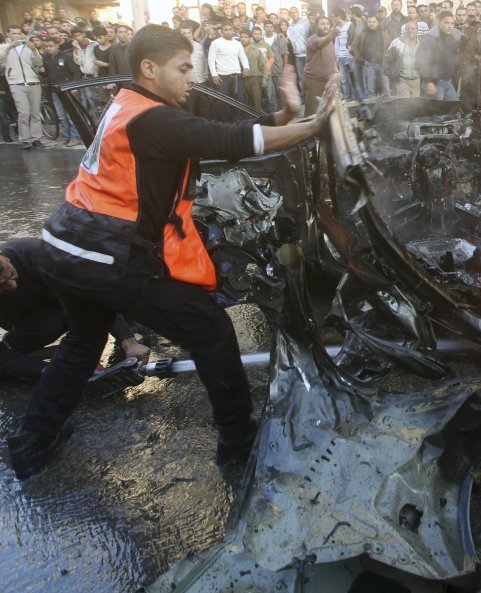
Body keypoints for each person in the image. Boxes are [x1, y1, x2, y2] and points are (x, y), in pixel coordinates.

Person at [4, 24, 335, 481]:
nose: (190, 78)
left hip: (63, 246)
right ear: (149, 68)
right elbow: (227, 142)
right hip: (109, 255)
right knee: (211, 330)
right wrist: (308, 127)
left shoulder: (129, 106)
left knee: (81, 342)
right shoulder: (153, 119)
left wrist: (282, 116)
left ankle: (31, 445)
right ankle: (238, 445)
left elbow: (214, 134)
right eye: (182, 69)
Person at [0, 239, 149, 379]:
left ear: (3, 257)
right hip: (31, 322)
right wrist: (51, 371)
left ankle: (127, 321)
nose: (11, 287)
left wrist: (128, 341)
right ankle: (35, 352)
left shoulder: (36, 254)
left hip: (67, 299)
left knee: (107, 286)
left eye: (11, 276)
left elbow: (89, 294)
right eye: (1, 286)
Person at [4, 25, 44, 150]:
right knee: (24, 112)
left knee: (35, 112)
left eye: (19, 33)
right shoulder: (5, 48)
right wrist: (9, 47)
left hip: (33, 82)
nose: (17, 35)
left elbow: (39, 62)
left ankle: (36, 138)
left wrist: (33, 50)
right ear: (8, 34)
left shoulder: (27, 48)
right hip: (16, 83)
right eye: (14, 33)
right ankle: (24, 139)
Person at [40, 37, 82, 146]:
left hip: (68, 90)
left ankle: (75, 137)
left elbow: (76, 72)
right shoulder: (46, 58)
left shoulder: (66, 57)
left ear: (57, 45)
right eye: (46, 47)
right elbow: (46, 75)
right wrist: (42, 72)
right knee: (61, 116)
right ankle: (66, 136)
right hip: (55, 90)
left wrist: (74, 86)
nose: (49, 48)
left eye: (51, 46)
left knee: (71, 115)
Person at [416, 11, 461, 100]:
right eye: (446, 22)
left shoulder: (452, 38)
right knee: (436, 112)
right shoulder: (430, 38)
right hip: (435, 83)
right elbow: (420, 62)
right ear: (439, 22)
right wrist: (428, 81)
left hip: (448, 81)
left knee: (454, 109)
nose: (450, 26)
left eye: (452, 23)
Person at [304, 16, 339, 114]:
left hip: (327, 81)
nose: (325, 26)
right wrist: (330, 36)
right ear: (316, 26)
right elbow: (320, 43)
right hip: (314, 81)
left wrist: (336, 71)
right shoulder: (312, 39)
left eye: (327, 24)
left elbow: (333, 57)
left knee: (327, 110)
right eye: (322, 24)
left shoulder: (329, 40)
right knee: (312, 111)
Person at [208, 22, 250, 102]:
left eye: (230, 29)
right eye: (226, 30)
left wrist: (246, 67)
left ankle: (239, 115)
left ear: (233, 30)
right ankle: (224, 115)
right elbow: (211, 59)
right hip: (222, 77)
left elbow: (243, 57)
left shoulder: (237, 44)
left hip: (236, 76)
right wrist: (214, 75)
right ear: (222, 31)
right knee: (222, 101)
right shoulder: (216, 43)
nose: (228, 31)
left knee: (239, 100)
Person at [351, 14, 391, 98]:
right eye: (369, 22)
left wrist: (388, 58)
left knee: (386, 90)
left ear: (378, 23)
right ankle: (371, 109)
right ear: (367, 23)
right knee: (370, 91)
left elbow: (390, 46)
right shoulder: (363, 33)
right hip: (368, 64)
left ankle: (388, 109)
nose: (371, 24)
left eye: (374, 22)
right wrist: (358, 57)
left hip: (383, 64)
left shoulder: (384, 33)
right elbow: (354, 45)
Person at [386, 20, 421, 97]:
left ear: (417, 30)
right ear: (405, 30)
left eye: (412, 28)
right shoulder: (397, 42)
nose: (410, 30)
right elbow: (387, 59)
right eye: (408, 28)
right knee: (405, 104)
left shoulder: (421, 44)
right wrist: (391, 75)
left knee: (416, 104)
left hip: (417, 81)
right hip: (402, 80)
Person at [331, 8, 356, 101]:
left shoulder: (350, 25)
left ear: (338, 16)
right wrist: (336, 57)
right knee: (344, 80)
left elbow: (353, 40)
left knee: (352, 79)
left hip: (349, 57)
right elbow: (336, 44)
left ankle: (354, 98)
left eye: (334, 17)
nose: (332, 18)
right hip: (340, 57)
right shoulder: (336, 29)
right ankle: (347, 98)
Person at [242, 28, 269, 110]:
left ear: (250, 38)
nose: (243, 39)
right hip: (241, 79)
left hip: (255, 79)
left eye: (245, 37)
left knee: (256, 103)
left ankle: (259, 120)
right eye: (241, 37)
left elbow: (263, 66)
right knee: (245, 102)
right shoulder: (237, 50)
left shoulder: (257, 51)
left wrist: (264, 79)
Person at [286, 6, 310, 95]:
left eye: (295, 12)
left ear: (298, 13)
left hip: (308, 54)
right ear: (290, 14)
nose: (293, 14)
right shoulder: (290, 27)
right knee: (300, 77)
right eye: (291, 12)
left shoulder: (306, 23)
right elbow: (289, 40)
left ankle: (310, 95)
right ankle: (303, 96)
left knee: (310, 76)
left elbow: (310, 36)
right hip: (298, 56)